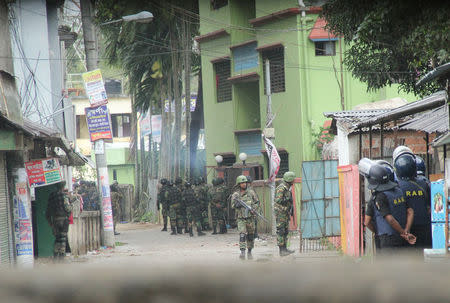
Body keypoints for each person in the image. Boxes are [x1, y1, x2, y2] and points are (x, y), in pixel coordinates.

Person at [363, 164, 416, 255]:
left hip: (387, 240)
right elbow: (410, 211)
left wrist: (378, 232)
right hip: (402, 239)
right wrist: (406, 231)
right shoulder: (399, 191)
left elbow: (368, 222)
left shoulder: (378, 196)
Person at [394, 153, 432, 250]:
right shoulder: (424, 183)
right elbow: (429, 207)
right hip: (425, 226)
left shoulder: (396, 187)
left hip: (406, 229)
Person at [231, 175, 260, 260]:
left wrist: (253, 209)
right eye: (242, 183)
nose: (244, 184)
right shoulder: (236, 194)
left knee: (250, 236)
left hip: (250, 218)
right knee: (242, 234)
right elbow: (232, 206)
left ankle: (249, 251)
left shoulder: (251, 193)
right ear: (239, 184)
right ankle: (242, 252)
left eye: (245, 182)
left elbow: (257, 202)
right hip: (241, 218)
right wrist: (237, 204)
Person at [46, 181, 73, 261]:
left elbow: (48, 210)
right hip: (64, 220)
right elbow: (68, 208)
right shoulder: (64, 196)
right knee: (63, 239)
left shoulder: (51, 196)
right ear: (63, 187)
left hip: (55, 220)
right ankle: (61, 257)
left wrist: (50, 222)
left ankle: (55, 256)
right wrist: (71, 205)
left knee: (57, 238)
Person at [275, 171, 296, 257]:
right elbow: (278, 200)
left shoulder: (287, 187)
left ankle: (285, 249)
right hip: (280, 213)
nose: (294, 181)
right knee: (281, 231)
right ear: (289, 179)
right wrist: (287, 199)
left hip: (285, 212)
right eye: (293, 180)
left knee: (285, 231)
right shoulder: (282, 187)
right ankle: (281, 250)